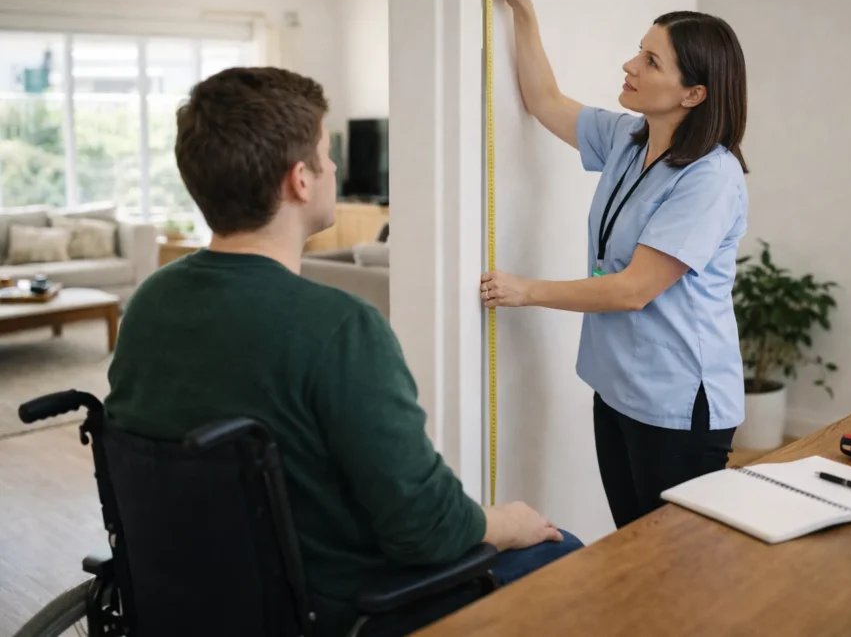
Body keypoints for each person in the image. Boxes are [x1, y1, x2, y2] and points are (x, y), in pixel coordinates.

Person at [104, 66, 582, 636]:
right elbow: (425, 529)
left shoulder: (149, 303)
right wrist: (508, 521)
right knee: (562, 549)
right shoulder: (339, 329)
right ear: (300, 180)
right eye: (326, 155)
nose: (334, 168)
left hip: (191, 593)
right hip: (330, 608)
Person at [481, 0, 749, 530]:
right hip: (618, 385)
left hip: (678, 403)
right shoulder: (628, 138)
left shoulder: (711, 177)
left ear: (694, 95)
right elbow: (543, 100)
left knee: (677, 564)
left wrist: (523, 290)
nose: (629, 64)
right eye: (639, 49)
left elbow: (633, 290)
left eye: (651, 60)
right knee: (632, 542)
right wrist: (522, 8)